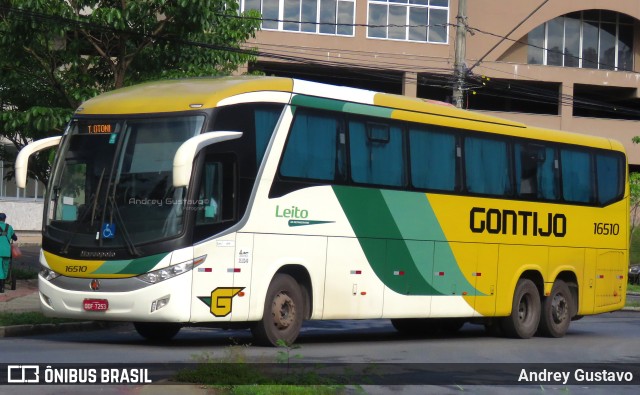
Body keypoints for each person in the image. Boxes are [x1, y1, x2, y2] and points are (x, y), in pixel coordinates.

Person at [0, 212, 18, 293]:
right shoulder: (9, 227)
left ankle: (1, 287)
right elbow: (15, 238)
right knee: (6, 268)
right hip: (7, 252)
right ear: (4, 219)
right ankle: (3, 285)